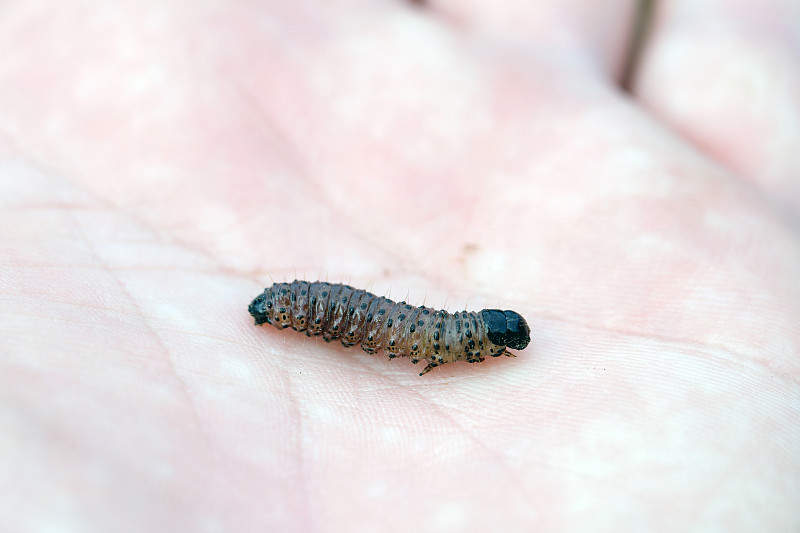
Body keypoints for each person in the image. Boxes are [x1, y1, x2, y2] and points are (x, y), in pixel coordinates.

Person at [0, 1, 797, 531]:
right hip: (310, 307)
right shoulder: (439, 341)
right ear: (480, 342)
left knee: (389, 323)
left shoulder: (445, 341)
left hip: (338, 315)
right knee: (381, 321)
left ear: (477, 341)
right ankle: (286, 307)